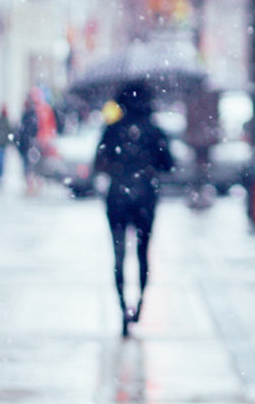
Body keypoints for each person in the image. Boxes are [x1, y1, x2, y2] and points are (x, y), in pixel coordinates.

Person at [93, 82, 173, 338]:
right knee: (142, 252)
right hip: (146, 197)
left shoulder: (113, 129)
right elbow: (169, 164)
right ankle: (139, 303)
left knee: (118, 255)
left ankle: (121, 308)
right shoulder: (154, 129)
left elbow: (99, 161)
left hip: (118, 196)